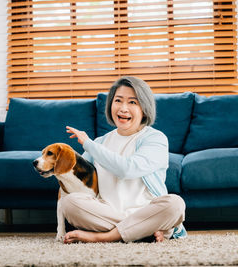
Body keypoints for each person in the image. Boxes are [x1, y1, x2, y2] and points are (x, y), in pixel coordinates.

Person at [63, 76, 187, 243]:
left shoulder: (155, 139)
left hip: (147, 211)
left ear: (145, 108)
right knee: (70, 203)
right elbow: (78, 180)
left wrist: (88, 144)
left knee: (175, 205)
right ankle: (143, 231)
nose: (123, 108)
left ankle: (105, 237)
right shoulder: (101, 142)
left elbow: (127, 169)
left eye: (132, 102)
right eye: (118, 101)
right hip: (109, 212)